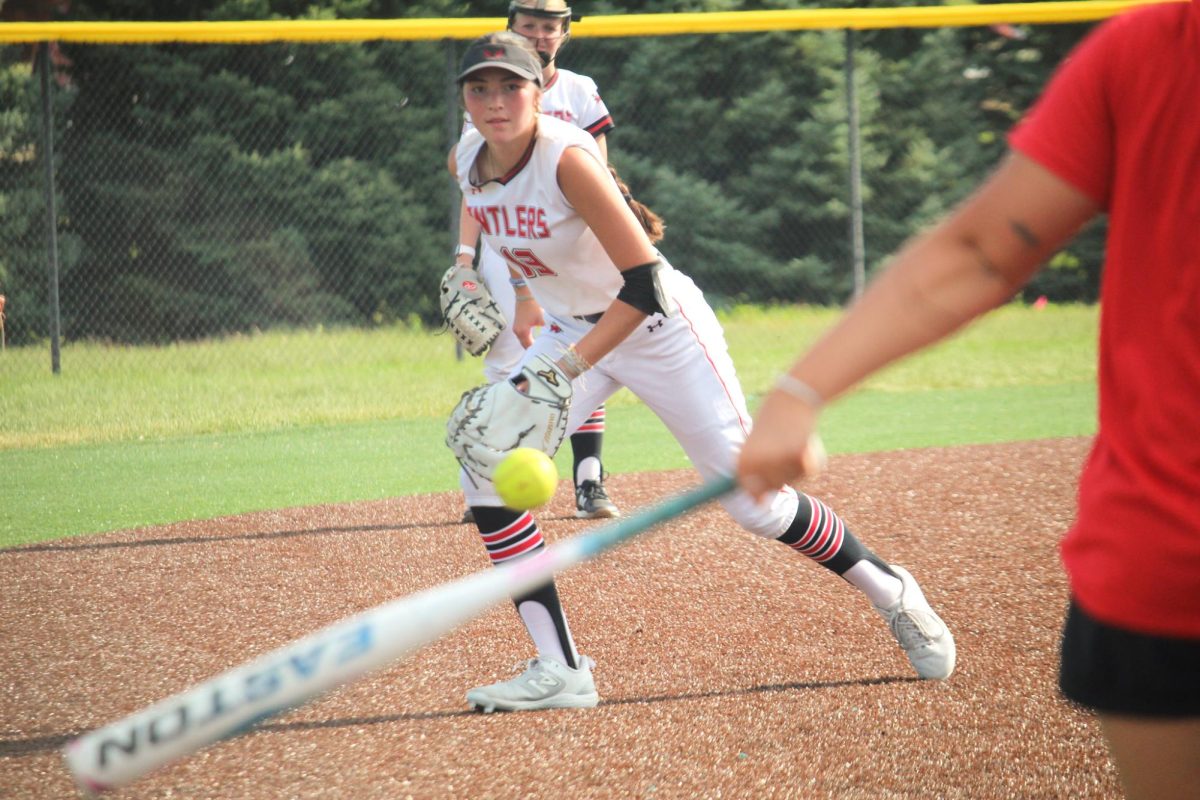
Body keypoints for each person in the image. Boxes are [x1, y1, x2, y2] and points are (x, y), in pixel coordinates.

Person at [735, 3, 1200, 798]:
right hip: (1167, 551)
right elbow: (984, 248)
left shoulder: (1156, 45)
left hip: (1166, 543)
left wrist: (800, 393)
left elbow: (985, 252)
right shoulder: (1151, 48)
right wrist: (798, 391)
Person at [446, 32, 956, 714]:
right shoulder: (469, 159)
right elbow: (515, 238)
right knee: (482, 465)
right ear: (464, 99)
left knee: (756, 504)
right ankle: (560, 667)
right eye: (480, 87)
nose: (496, 100)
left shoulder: (566, 158)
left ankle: (890, 589)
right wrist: (500, 291)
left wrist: (563, 369)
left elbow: (646, 282)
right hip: (574, 330)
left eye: (511, 85)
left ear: (539, 91)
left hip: (660, 329)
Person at [454, 0, 620, 522]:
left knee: (586, 351)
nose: (542, 34)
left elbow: (600, 173)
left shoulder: (578, 90)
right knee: (508, 356)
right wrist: (464, 257)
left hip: (568, 242)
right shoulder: (489, 95)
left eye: (551, 27)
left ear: (564, 34)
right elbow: (474, 181)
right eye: (530, 26)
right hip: (508, 244)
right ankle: (496, 477)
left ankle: (588, 479)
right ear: (512, 29)